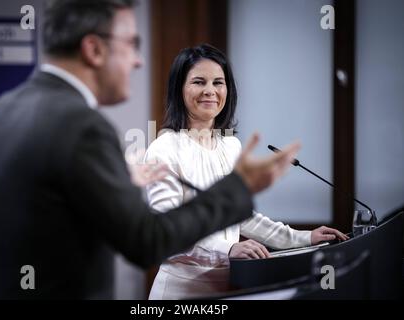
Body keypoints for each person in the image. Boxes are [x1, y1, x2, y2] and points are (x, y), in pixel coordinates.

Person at [0, 1, 300, 299]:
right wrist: (238, 187)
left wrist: (118, 186)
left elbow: (47, 212)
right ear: (94, 50)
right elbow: (147, 242)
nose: (138, 60)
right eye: (131, 44)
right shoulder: (84, 127)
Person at [144, 44, 348, 300]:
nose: (210, 91)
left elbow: (241, 217)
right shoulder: (163, 148)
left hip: (228, 287)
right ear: (179, 89)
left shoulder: (230, 146)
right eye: (199, 81)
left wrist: (304, 238)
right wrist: (228, 248)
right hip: (179, 291)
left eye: (218, 82)